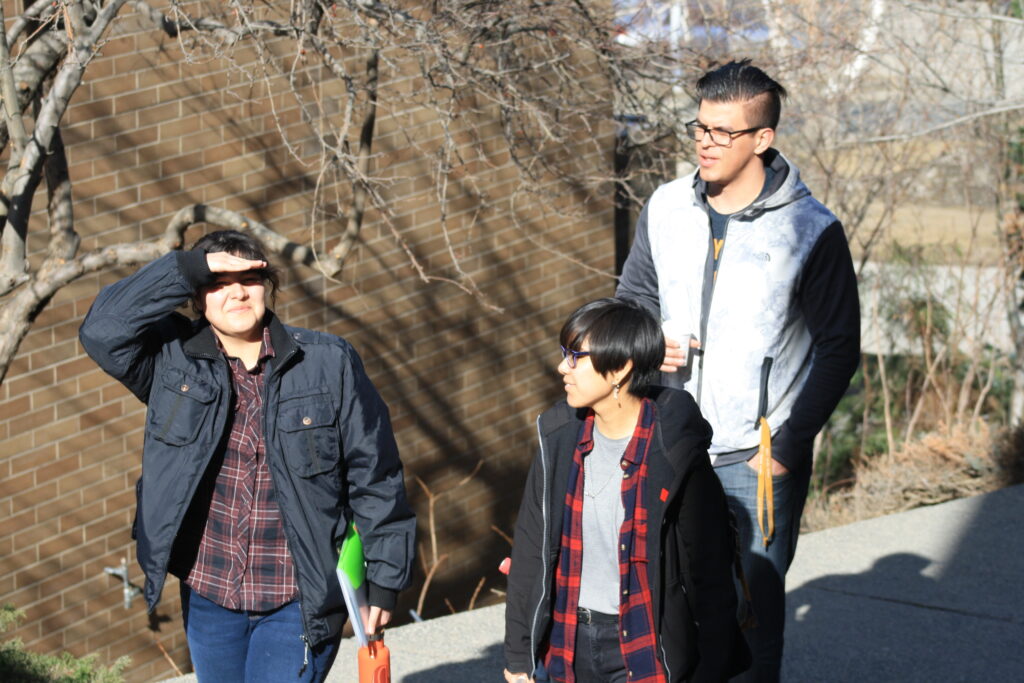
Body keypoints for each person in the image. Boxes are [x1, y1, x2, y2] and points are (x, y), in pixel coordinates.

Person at [79, 230, 416, 682]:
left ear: (267, 286)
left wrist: (386, 579)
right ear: (197, 296)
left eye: (249, 278)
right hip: (209, 593)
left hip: (298, 598)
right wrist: (186, 267)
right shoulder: (171, 360)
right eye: (218, 281)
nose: (236, 291)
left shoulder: (327, 362)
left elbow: (376, 474)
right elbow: (102, 330)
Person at [617, 60, 861, 681]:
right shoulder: (667, 205)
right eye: (700, 127)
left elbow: (839, 348)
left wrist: (786, 446)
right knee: (667, 605)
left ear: (762, 138)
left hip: (757, 459)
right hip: (667, 441)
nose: (705, 141)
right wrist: (648, 343)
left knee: (751, 622)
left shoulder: (812, 230)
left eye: (724, 131)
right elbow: (632, 303)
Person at [503, 298, 750, 683]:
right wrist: (519, 654)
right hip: (568, 640)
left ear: (619, 368)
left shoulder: (675, 452)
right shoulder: (557, 439)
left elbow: (709, 570)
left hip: (643, 642)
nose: (561, 368)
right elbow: (531, 547)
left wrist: (711, 669)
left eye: (575, 357)